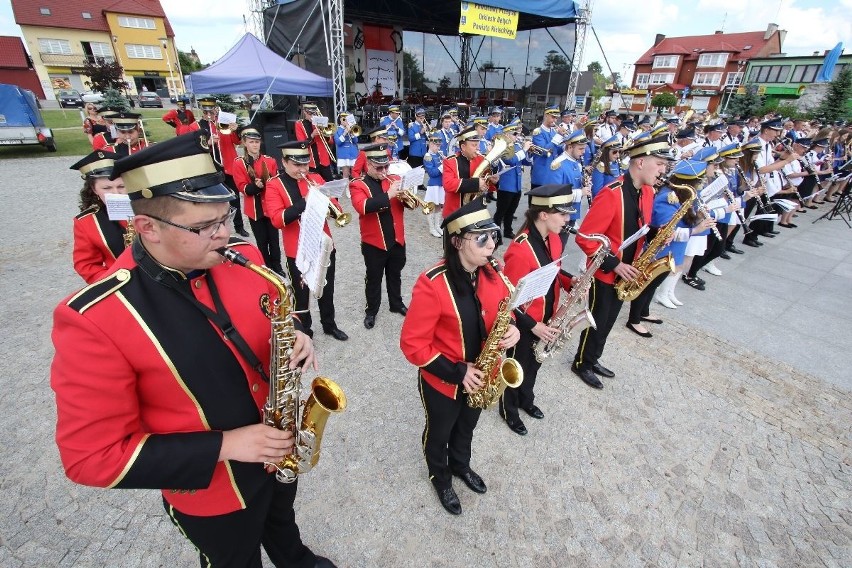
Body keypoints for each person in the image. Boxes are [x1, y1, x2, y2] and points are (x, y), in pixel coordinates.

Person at [51, 131, 335, 568]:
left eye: (226, 218)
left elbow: (274, 309)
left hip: (280, 449)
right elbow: (90, 458)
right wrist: (226, 445)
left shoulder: (239, 254)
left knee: (282, 523)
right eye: (205, 227)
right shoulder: (94, 319)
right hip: (213, 492)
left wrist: (297, 332)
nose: (225, 235)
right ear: (146, 227)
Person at [399, 199, 520, 515]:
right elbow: (412, 345)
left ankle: (461, 465)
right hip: (445, 382)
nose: (492, 245)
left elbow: (507, 311)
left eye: (493, 236)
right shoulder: (431, 283)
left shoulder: (493, 273)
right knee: (439, 433)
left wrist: (515, 330)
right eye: (482, 239)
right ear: (456, 241)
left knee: (466, 427)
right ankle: (440, 477)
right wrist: (457, 372)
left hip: (484, 376)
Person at [571, 135, 672, 389]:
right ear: (640, 162)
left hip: (627, 272)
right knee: (597, 320)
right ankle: (581, 362)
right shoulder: (611, 193)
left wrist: (657, 233)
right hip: (605, 273)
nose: (664, 170)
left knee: (609, 320)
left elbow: (639, 227)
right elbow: (585, 238)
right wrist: (615, 264)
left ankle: (593, 359)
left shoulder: (646, 191)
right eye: (659, 163)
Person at [499, 184, 574, 436]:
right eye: (562, 214)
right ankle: (508, 408)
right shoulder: (519, 250)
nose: (568, 219)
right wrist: (534, 326)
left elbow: (553, 270)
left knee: (534, 363)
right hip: (525, 324)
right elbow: (507, 299)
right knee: (518, 364)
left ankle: (525, 399)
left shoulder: (553, 238)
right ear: (544, 214)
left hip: (547, 318)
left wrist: (571, 281)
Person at [263, 141, 348, 341]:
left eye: (305, 164)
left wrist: (331, 208)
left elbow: (336, 208)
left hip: (324, 245)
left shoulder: (316, 177)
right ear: (284, 162)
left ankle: (329, 324)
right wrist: (306, 201)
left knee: (327, 287)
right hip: (297, 250)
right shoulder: (274, 185)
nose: (302, 169)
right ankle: (305, 331)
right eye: (297, 165)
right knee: (302, 295)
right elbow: (277, 220)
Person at [350, 143, 410, 329]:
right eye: (379, 167)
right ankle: (371, 310)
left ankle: (396, 303)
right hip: (374, 242)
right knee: (373, 278)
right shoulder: (358, 184)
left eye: (386, 166)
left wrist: (408, 199)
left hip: (397, 238)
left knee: (395, 273)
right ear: (368, 164)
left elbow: (406, 205)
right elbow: (363, 207)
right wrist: (389, 195)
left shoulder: (395, 179)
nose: (384, 170)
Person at [651, 160, 708, 310]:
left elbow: (686, 221)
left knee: (679, 266)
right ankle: (661, 294)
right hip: (667, 245)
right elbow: (667, 230)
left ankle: (668, 292)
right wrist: (696, 230)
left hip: (679, 244)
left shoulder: (684, 196)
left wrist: (699, 216)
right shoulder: (669, 197)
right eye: (698, 182)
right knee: (668, 270)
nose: (699, 186)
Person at [70, 150, 129, 283]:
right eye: (107, 188)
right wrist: (115, 282)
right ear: (94, 189)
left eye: (121, 186)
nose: (116, 193)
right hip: (120, 284)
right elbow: (86, 265)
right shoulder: (86, 222)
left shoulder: (149, 208)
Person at [232, 127, 283, 274]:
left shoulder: (270, 160)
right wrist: (255, 186)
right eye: (251, 142)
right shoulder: (239, 163)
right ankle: (267, 267)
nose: (255, 145)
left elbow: (275, 181)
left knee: (274, 240)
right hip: (254, 208)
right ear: (245, 144)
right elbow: (242, 188)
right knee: (262, 241)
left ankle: (277, 266)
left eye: (257, 142)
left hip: (270, 206)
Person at [197, 98, 248, 237]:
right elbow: (194, 149)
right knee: (215, 199)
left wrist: (236, 131)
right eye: (207, 111)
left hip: (228, 166)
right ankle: (217, 227)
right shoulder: (197, 126)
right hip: (211, 167)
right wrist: (208, 143)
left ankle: (239, 226)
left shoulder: (222, 123)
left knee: (234, 198)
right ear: (202, 111)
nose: (210, 114)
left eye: (212, 111)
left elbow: (237, 141)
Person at [442, 126, 498, 218]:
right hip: (455, 212)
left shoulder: (481, 159)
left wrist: (492, 180)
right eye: (474, 145)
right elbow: (448, 184)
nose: (478, 148)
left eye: (478, 145)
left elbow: (487, 183)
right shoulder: (450, 161)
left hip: (476, 210)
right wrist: (476, 183)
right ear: (463, 147)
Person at [493, 119, 531, 238]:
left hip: (516, 185)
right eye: (515, 134)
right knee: (501, 212)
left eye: (517, 134)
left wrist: (530, 152)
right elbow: (511, 160)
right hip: (506, 184)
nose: (517, 136)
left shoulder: (517, 146)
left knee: (511, 211)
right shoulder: (503, 147)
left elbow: (527, 162)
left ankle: (507, 231)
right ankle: (495, 232)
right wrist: (524, 149)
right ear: (507, 135)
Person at [294, 102, 335, 182]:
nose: (312, 115)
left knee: (329, 184)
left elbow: (331, 141)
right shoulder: (299, 124)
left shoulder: (320, 122)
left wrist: (325, 133)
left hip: (324, 161)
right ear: (305, 112)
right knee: (315, 185)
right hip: (311, 162)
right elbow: (302, 145)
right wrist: (312, 135)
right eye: (310, 113)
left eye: (314, 113)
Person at [530, 105, 565, 188]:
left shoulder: (553, 132)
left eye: (556, 118)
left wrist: (566, 145)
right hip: (541, 174)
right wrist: (559, 136)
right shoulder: (538, 132)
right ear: (546, 115)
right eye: (553, 117)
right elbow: (545, 151)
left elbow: (557, 151)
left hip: (552, 174)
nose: (555, 120)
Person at [423, 133, 446, 237]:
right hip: (433, 185)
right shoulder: (428, 156)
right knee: (431, 206)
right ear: (431, 144)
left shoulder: (438, 154)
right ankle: (431, 228)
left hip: (440, 184)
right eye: (436, 145)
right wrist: (442, 166)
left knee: (439, 205)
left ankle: (437, 226)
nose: (438, 147)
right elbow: (432, 173)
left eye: (439, 145)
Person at [590, 135, 623, 200]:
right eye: (614, 152)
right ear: (607, 152)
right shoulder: (601, 167)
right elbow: (597, 192)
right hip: (606, 201)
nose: (617, 154)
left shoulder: (617, 164)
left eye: (619, 151)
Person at [333, 112, 359, 182]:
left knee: (355, 172)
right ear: (340, 120)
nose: (345, 121)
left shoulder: (352, 128)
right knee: (345, 174)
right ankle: (346, 189)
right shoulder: (337, 130)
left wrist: (351, 132)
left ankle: (356, 187)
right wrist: (344, 133)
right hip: (343, 154)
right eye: (343, 119)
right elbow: (338, 142)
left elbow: (356, 141)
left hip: (353, 153)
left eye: (347, 119)